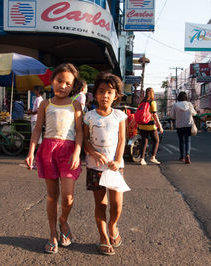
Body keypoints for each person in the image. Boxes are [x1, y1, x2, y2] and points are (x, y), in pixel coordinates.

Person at [24, 63, 83, 254]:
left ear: (73, 86)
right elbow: (37, 129)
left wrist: (76, 152)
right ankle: (52, 235)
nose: (62, 86)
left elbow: (80, 132)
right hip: (48, 149)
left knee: (67, 196)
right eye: (59, 81)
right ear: (52, 81)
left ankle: (63, 221)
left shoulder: (76, 104)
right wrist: (31, 152)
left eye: (68, 83)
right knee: (52, 196)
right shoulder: (45, 104)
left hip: (68, 151)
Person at [83, 72, 127, 256]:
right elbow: (85, 139)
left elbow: (122, 139)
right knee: (101, 205)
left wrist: (117, 160)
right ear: (95, 94)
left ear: (116, 95)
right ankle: (103, 237)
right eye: (101, 91)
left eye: (110, 92)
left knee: (116, 205)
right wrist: (93, 152)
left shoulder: (120, 115)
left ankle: (112, 225)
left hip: (115, 168)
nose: (105, 96)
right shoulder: (89, 116)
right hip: (95, 167)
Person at [137, 87, 163, 165]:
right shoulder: (152, 102)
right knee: (156, 140)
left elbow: (138, 113)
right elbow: (154, 115)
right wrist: (160, 125)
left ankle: (142, 159)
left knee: (144, 141)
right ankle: (153, 157)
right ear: (152, 93)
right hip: (150, 125)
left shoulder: (142, 102)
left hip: (141, 125)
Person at [171, 91, 197, 164]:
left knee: (181, 141)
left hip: (179, 125)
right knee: (187, 141)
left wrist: (178, 116)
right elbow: (194, 113)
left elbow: (172, 116)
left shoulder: (175, 105)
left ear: (178, 97)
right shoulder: (189, 104)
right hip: (188, 125)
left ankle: (182, 157)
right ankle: (187, 155)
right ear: (186, 97)